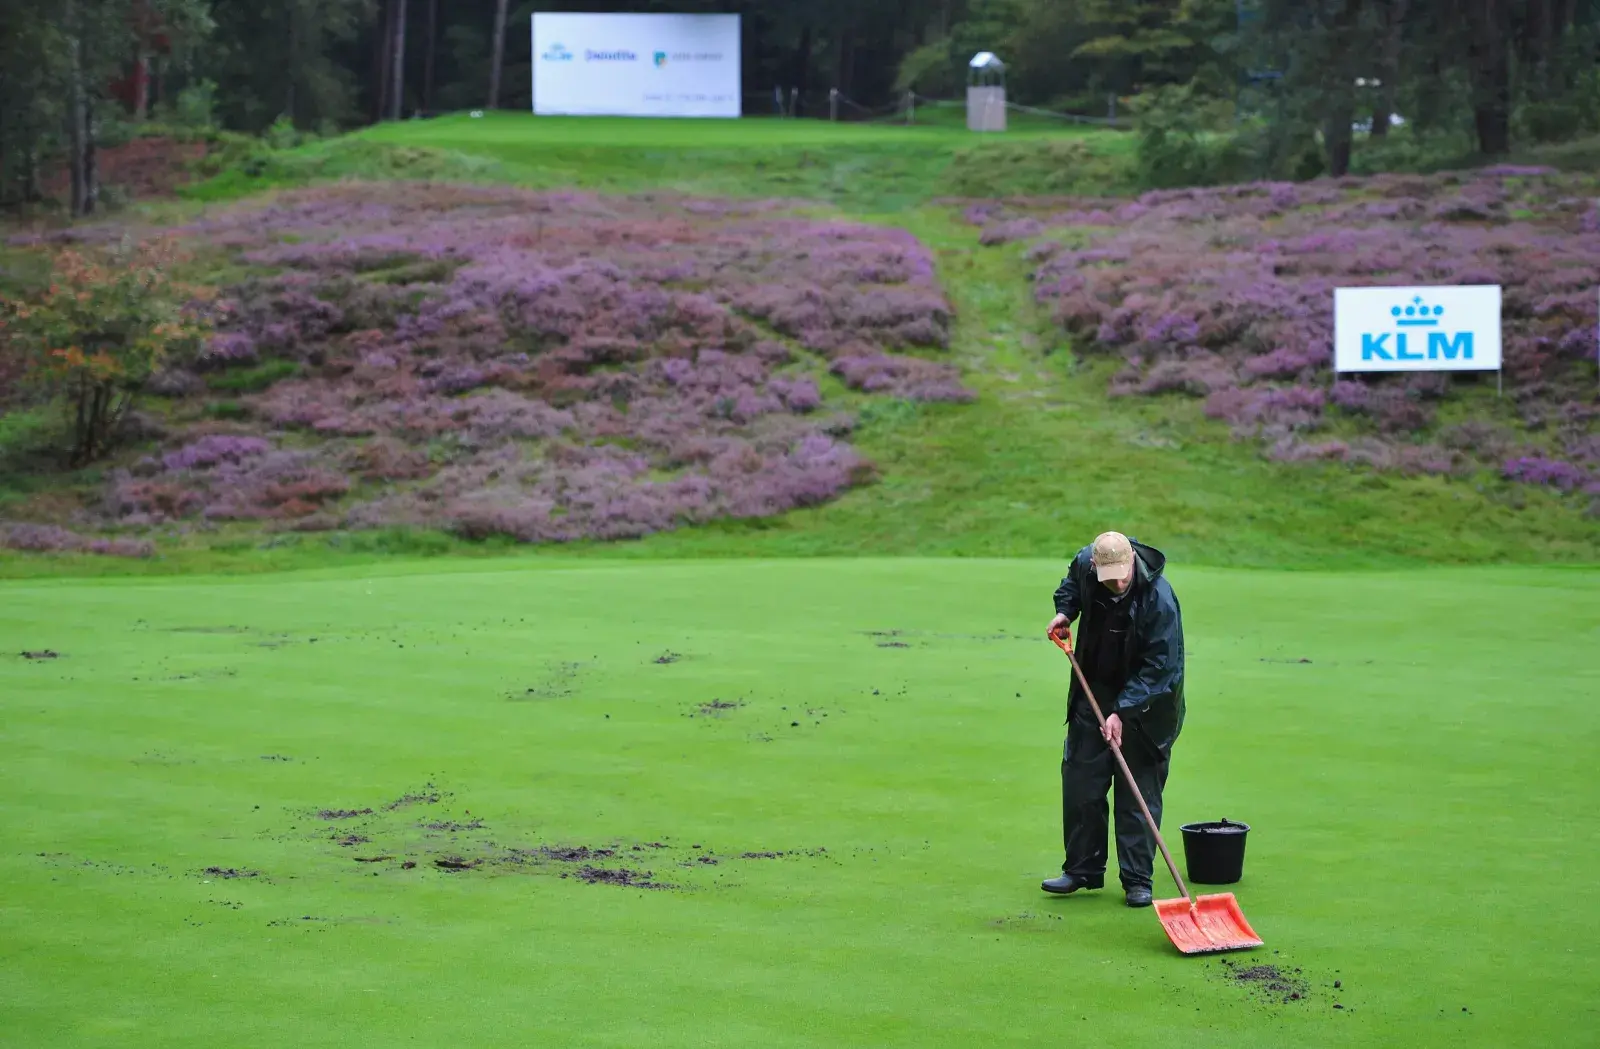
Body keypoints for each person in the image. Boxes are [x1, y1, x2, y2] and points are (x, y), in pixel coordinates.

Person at [1041, 531, 1185, 908]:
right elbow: (1071, 587)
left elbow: (1160, 669)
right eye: (1109, 578)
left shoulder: (1160, 600)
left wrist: (1123, 710)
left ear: (1132, 563)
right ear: (1096, 566)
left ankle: (1138, 880)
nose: (1117, 583)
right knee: (1081, 781)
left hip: (1149, 706)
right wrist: (1064, 612)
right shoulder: (1086, 564)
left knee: (1138, 792)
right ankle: (1082, 869)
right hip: (1094, 688)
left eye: (1122, 576)